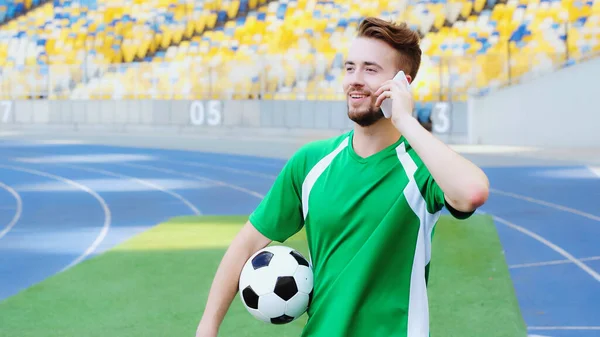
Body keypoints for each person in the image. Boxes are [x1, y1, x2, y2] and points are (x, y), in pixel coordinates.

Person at [195, 16, 490, 337]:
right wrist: (208, 327)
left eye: (370, 69)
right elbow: (246, 244)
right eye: (350, 68)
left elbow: (472, 191)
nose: (355, 79)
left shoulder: (421, 167)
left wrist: (405, 120)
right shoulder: (310, 162)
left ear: (402, 83)